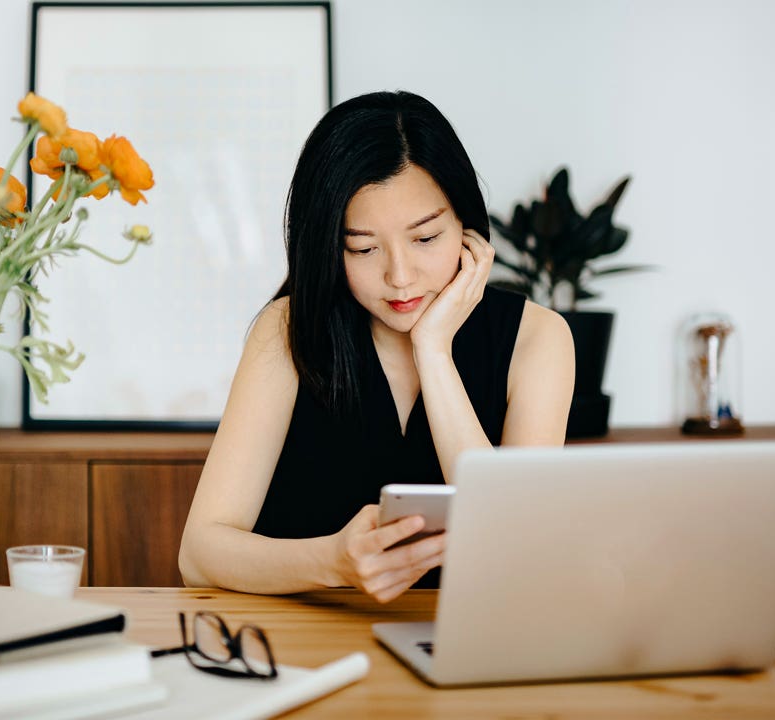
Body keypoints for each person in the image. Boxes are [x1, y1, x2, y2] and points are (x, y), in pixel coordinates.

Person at [178, 91, 575, 603]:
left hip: (467, 646)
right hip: (304, 650)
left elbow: (519, 551)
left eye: (426, 239)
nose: (400, 277)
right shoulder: (287, 330)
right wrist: (332, 561)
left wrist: (434, 353)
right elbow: (199, 556)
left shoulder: (537, 339)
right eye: (363, 248)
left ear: (466, 227)